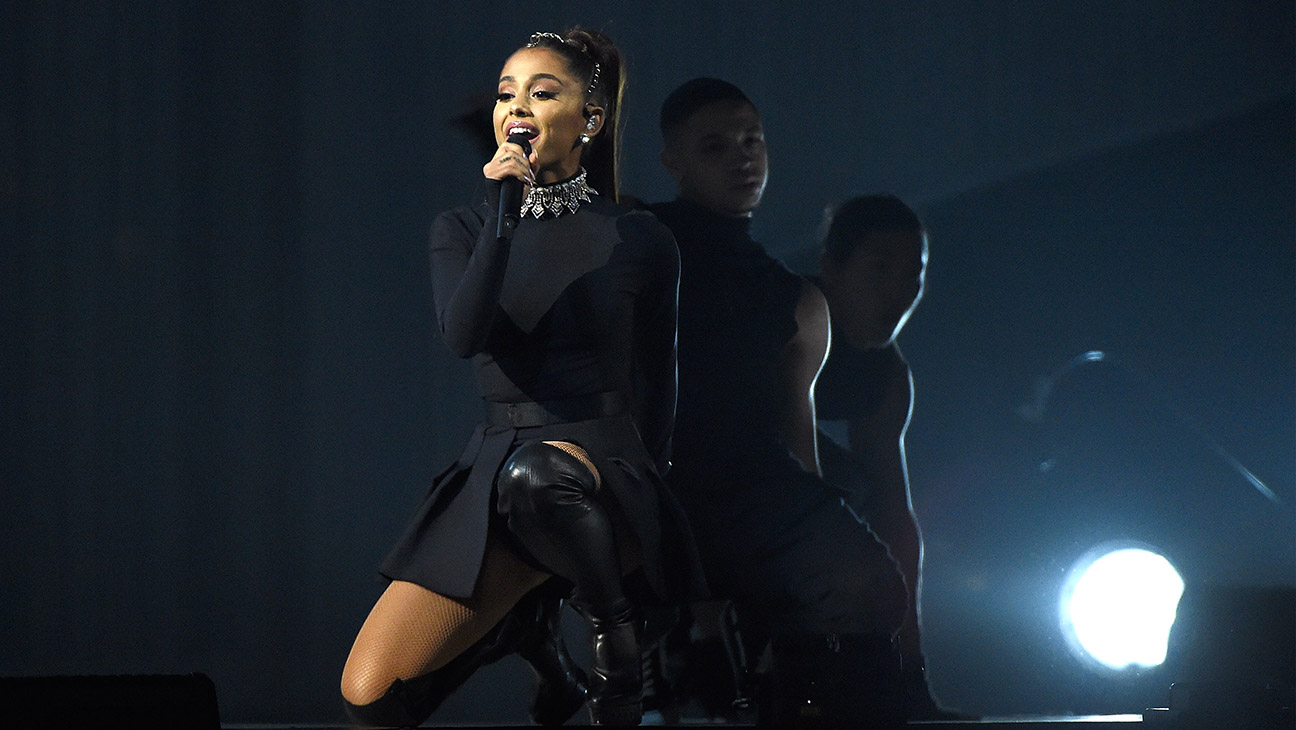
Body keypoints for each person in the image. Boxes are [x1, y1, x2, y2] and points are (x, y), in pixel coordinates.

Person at [339, 29, 706, 728]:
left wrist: (645, 510)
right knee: (371, 696)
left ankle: (614, 637)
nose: (517, 107)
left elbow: (661, 382)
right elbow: (463, 337)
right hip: (502, 474)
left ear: (590, 120)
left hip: (602, 474)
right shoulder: (462, 228)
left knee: (540, 474)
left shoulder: (641, 238)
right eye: (507, 94)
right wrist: (505, 214)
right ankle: (536, 639)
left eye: (542, 92)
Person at [647, 78, 908, 727]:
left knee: (865, 578)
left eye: (752, 141)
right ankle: (707, 649)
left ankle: (774, 685)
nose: (742, 157)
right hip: (658, 486)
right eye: (716, 146)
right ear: (675, 162)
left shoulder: (791, 299)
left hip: (752, 494)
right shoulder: (644, 244)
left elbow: (799, 447)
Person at [813, 194, 962, 720]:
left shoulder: (888, 376)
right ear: (832, 269)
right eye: (879, 269)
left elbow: (894, 515)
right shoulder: (782, 324)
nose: (897, 293)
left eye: (912, 277)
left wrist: (910, 669)